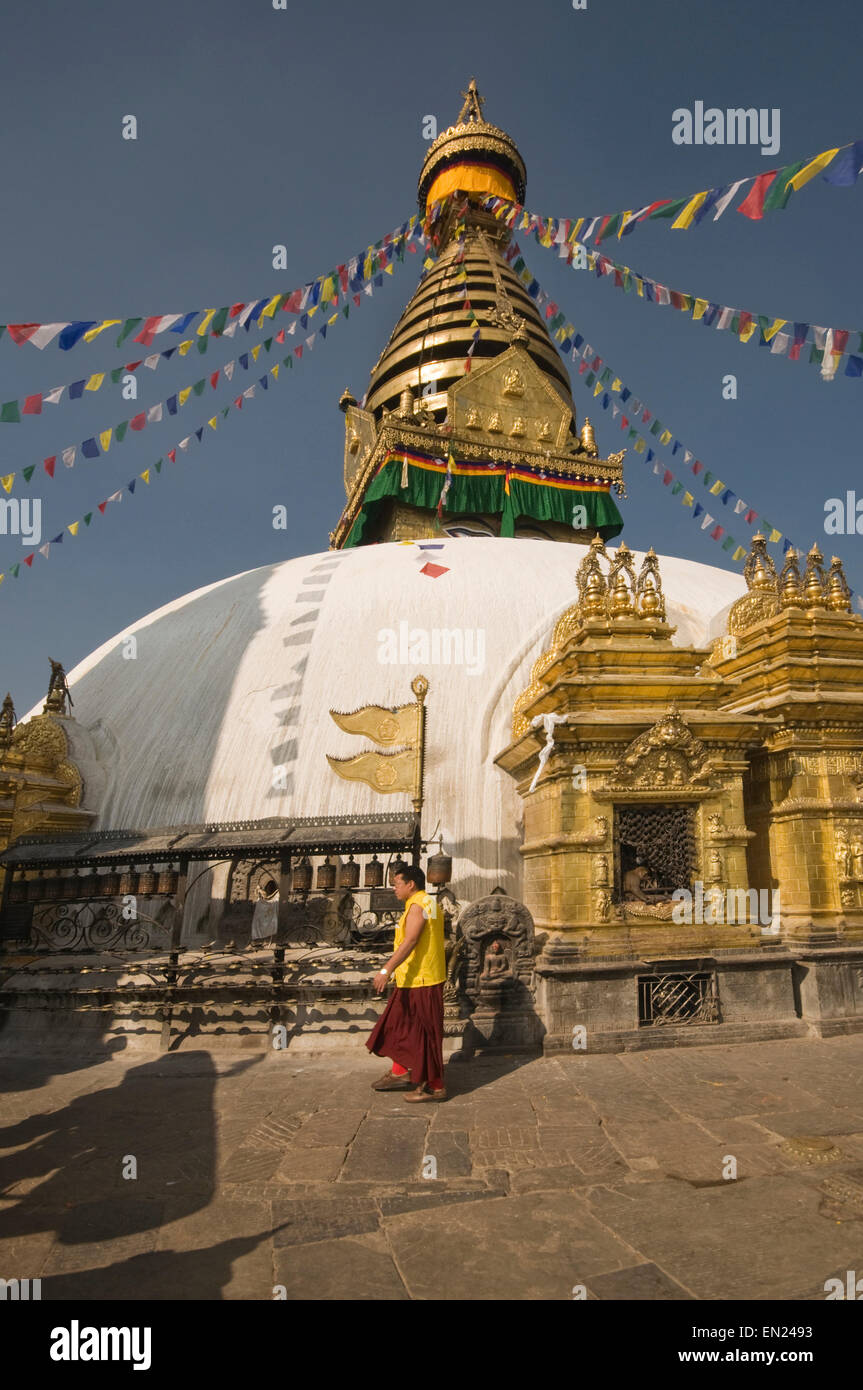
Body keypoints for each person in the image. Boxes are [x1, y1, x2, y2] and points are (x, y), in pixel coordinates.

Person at [365, 861, 447, 1101]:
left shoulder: (417, 907)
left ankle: (436, 1086)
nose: (394, 889)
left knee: (427, 1033)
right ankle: (400, 1071)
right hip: (414, 978)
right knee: (397, 1025)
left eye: (396, 884)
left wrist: (385, 969)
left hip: (422, 979)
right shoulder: (427, 902)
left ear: (411, 884)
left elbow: (410, 941)